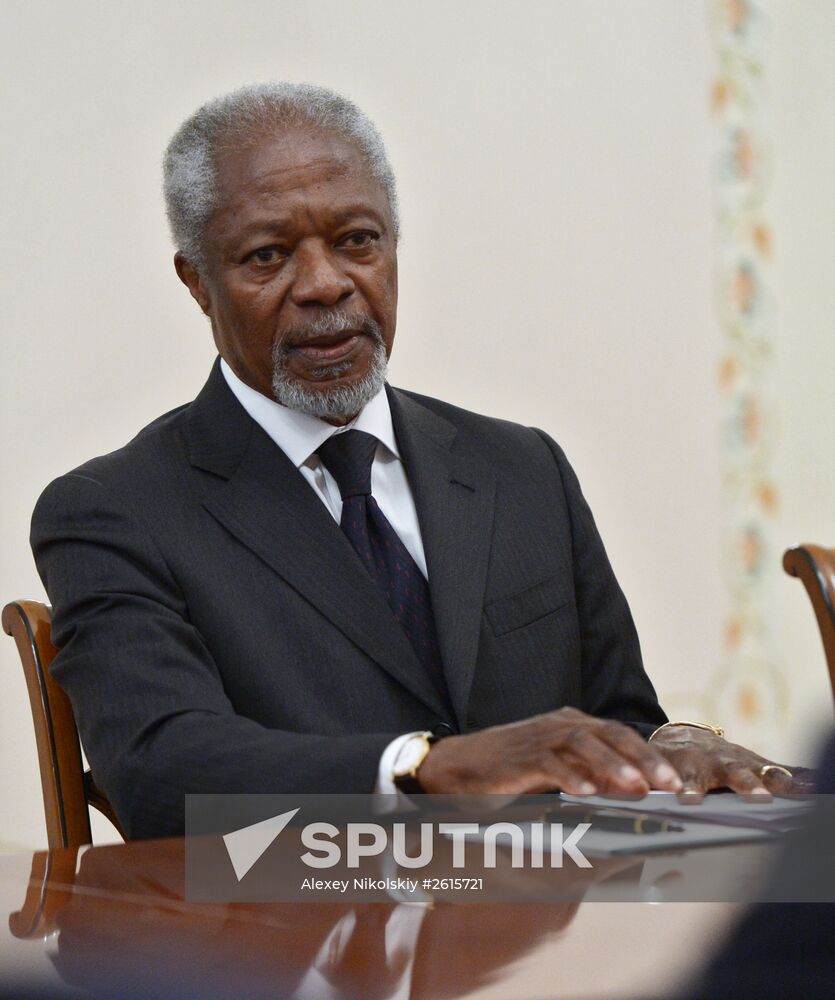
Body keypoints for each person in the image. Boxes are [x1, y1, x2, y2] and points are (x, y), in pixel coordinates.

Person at [30, 83, 800, 840]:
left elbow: (615, 716)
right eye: (267, 255)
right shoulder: (115, 510)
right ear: (197, 282)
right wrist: (419, 768)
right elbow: (161, 771)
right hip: (291, 943)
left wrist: (668, 747)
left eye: (356, 240)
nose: (326, 283)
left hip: (542, 941)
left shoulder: (522, 468)